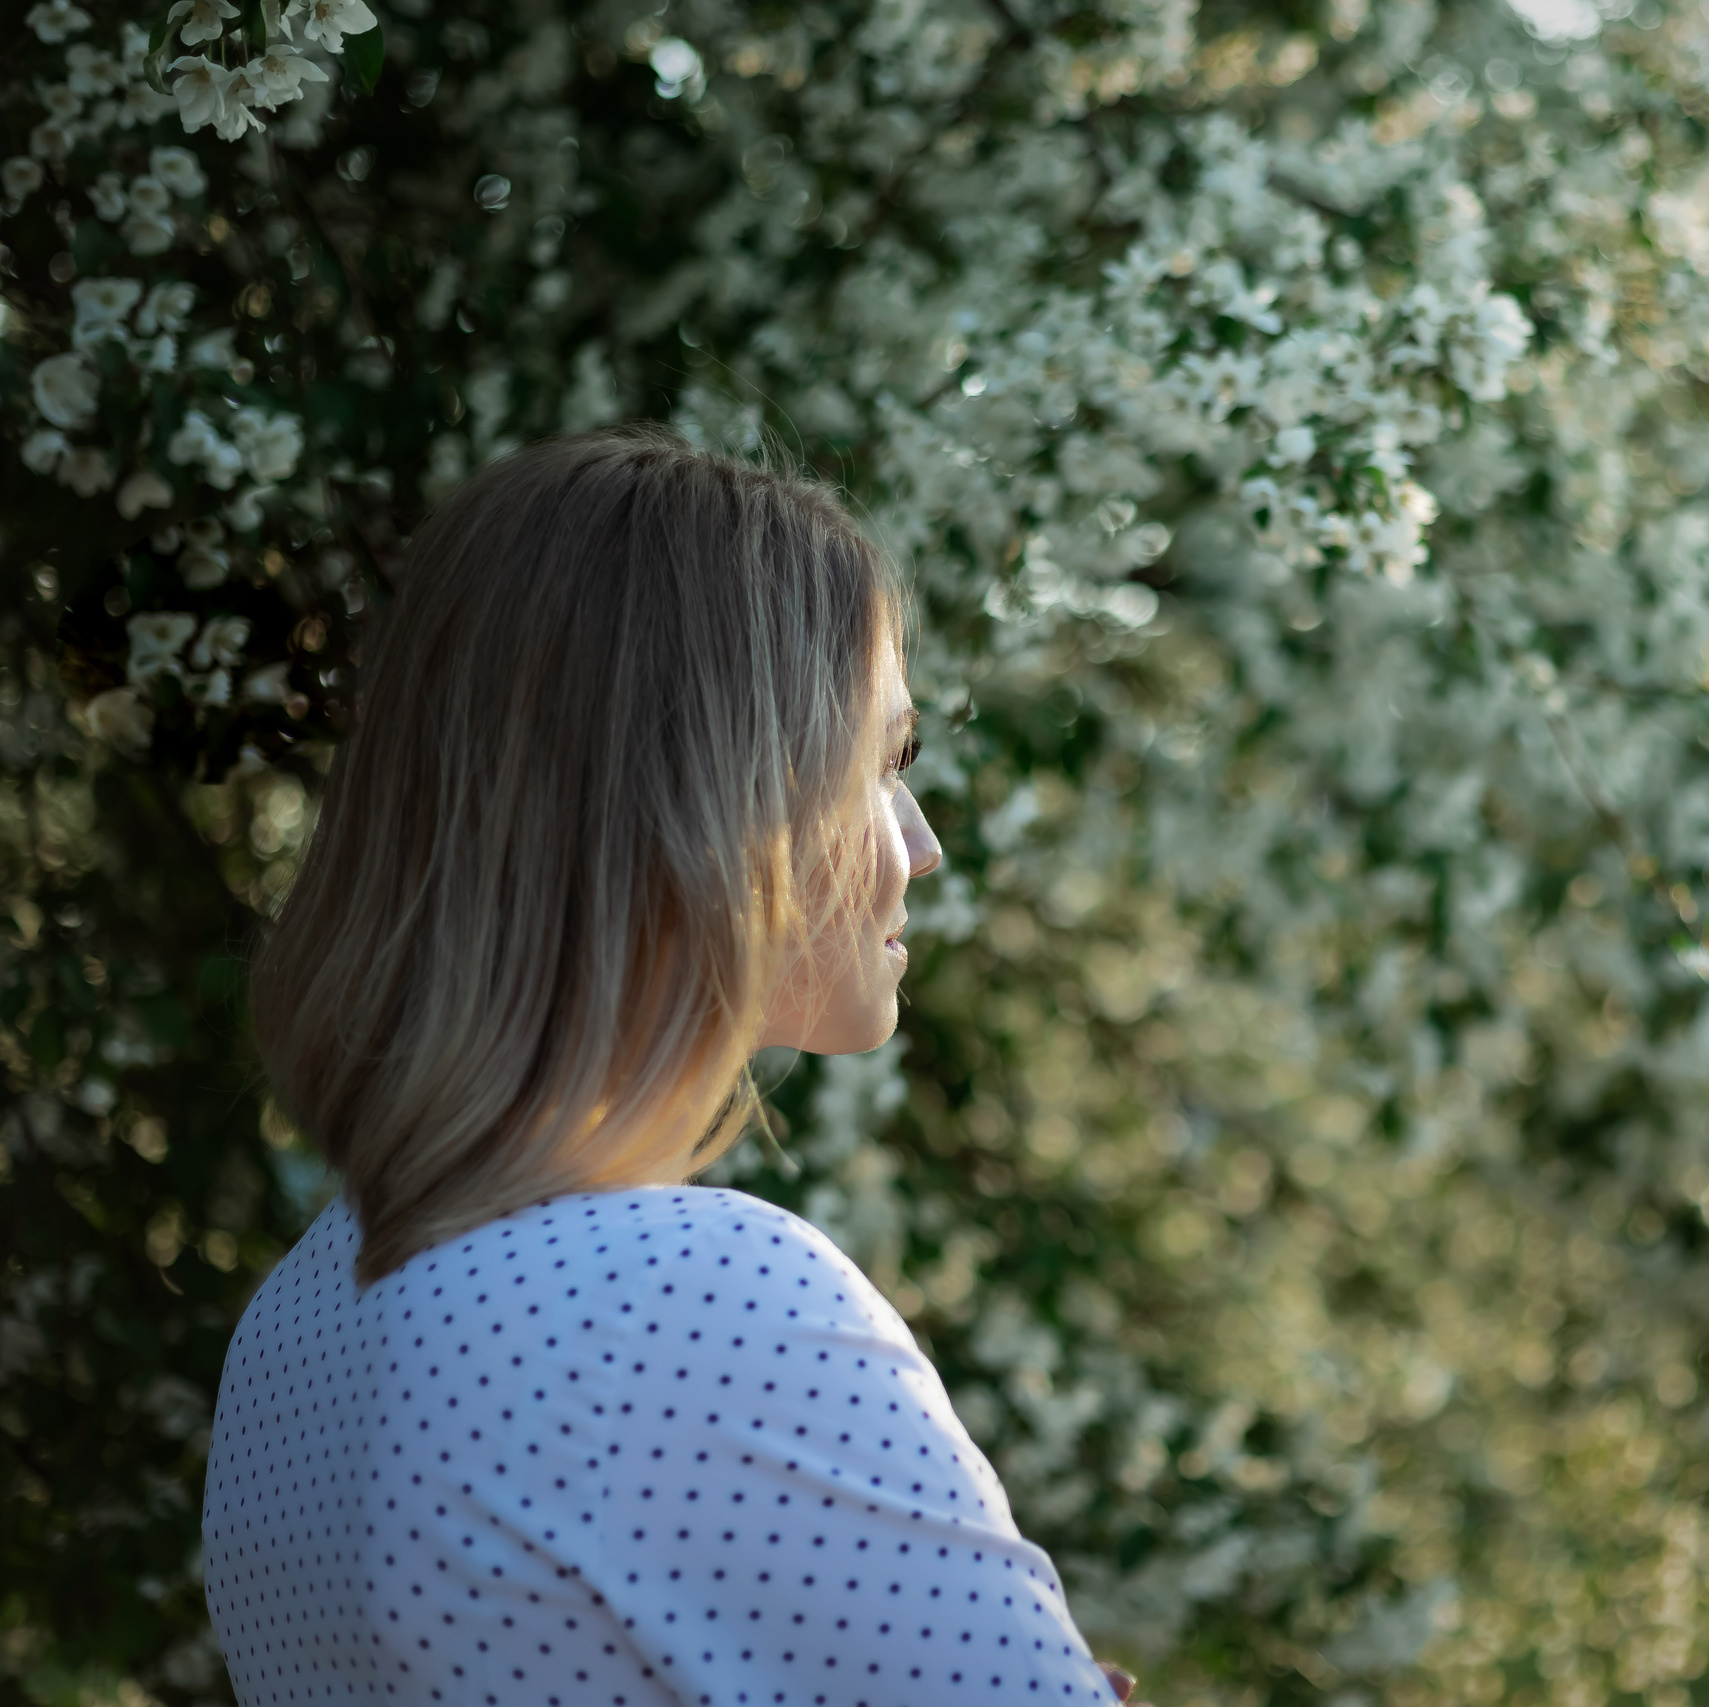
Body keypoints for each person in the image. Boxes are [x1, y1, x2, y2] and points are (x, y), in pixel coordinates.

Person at [199, 427, 1138, 1707]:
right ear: (712, 795)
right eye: (882, 761)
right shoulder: (694, 1299)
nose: (920, 847)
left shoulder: (298, 1326)